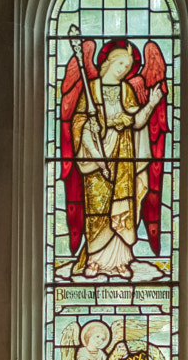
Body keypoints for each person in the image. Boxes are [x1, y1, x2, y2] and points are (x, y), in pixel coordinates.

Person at [60, 37, 166, 282]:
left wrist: (151, 103)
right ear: (108, 62)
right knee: (97, 210)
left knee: (123, 208)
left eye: (128, 68)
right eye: (120, 65)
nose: (123, 71)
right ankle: (95, 260)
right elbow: (77, 123)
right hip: (97, 157)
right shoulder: (92, 88)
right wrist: (90, 126)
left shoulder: (126, 90)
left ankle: (120, 260)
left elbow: (137, 121)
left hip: (122, 156)